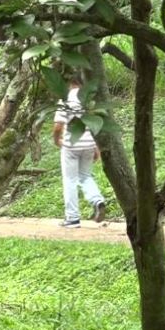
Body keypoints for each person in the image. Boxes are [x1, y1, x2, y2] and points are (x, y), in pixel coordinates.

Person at [52, 76, 106, 228]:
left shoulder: (65, 99)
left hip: (71, 146)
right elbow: (94, 125)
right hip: (89, 144)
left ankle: (72, 218)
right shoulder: (88, 100)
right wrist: (96, 147)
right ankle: (97, 200)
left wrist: (57, 140)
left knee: (70, 180)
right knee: (85, 176)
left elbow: (58, 126)